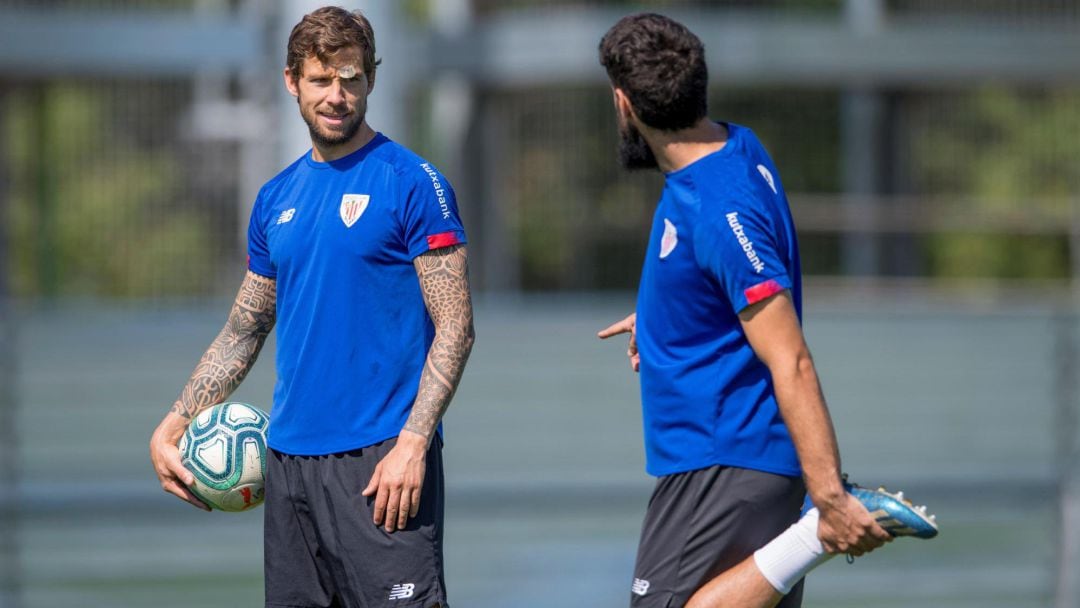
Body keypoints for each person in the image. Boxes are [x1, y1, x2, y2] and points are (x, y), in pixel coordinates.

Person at [595, 13, 936, 608]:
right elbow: (720, 282)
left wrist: (828, 500)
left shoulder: (719, 210)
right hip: (738, 463)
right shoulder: (736, 146)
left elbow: (791, 357)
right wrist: (662, 317)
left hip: (725, 458)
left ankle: (817, 532)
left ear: (624, 103)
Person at [149, 7, 473, 608]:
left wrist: (413, 443)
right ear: (291, 82)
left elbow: (456, 326)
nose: (337, 95)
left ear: (370, 80)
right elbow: (245, 329)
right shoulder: (275, 199)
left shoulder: (414, 183)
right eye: (322, 80)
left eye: (350, 78)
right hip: (289, 468)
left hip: (382, 463)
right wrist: (173, 424)